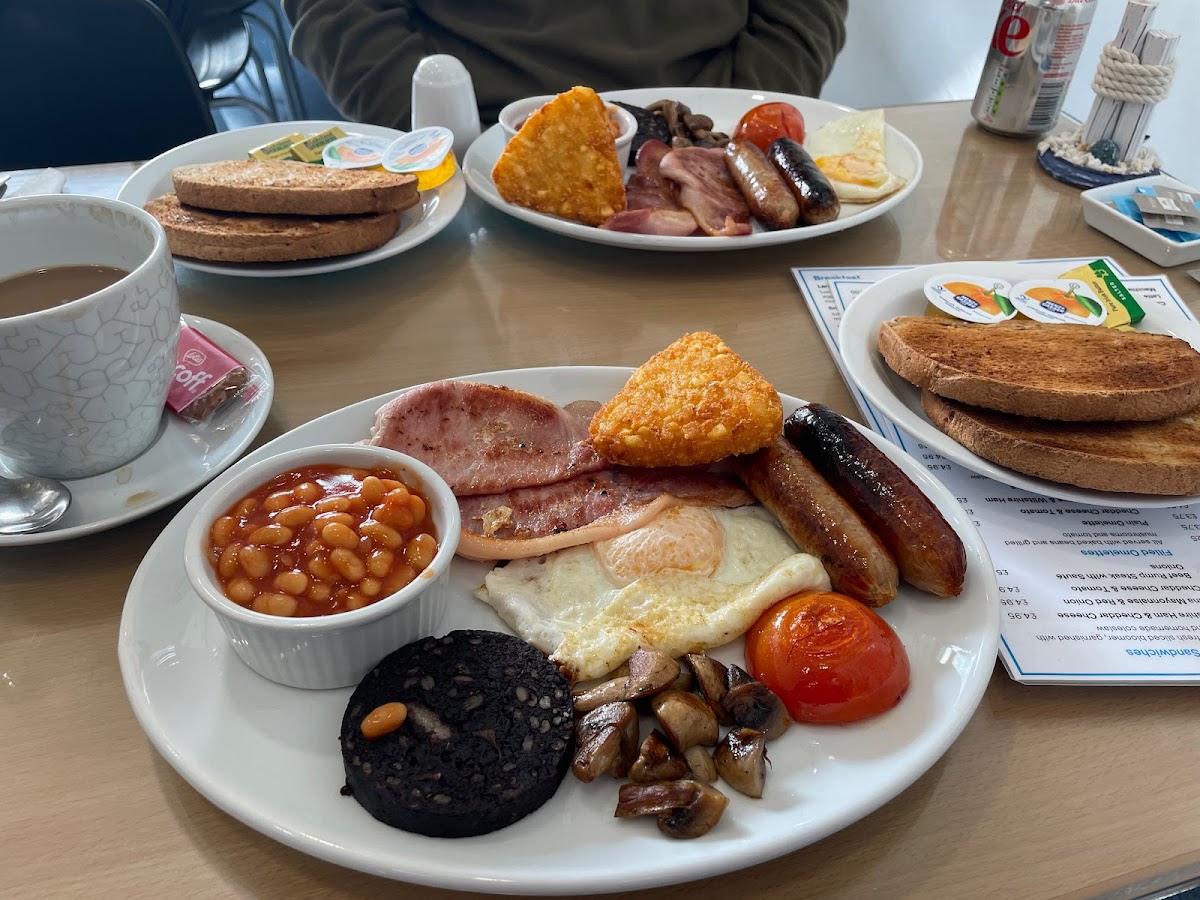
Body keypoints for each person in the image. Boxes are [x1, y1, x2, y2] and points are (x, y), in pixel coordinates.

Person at [282, 1, 849, 129]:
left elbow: (799, 18)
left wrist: (732, 129)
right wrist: (444, 132)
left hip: (712, 139)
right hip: (478, 148)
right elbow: (336, 13)